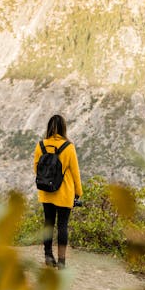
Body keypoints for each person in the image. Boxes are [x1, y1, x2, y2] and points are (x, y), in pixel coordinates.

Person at [33, 114, 83, 269]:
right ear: (63, 128)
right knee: (62, 226)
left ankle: (48, 256)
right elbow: (75, 172)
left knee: (48, 224)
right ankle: (61, 261)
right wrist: (78, 193)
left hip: (46, 191)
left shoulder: (40, 145)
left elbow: (36, 168)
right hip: (64, 193)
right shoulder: (68, 147)